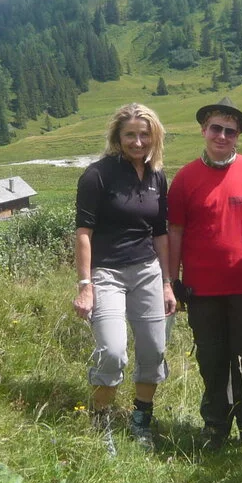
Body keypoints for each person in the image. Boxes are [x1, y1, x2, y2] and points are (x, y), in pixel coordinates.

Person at [167, 96, 242, 451]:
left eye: (230, 130)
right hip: (201, 290)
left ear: (238, 136)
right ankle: (215, 426)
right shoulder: (184, 178)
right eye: (216, 128)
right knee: (213, 361)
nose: (222, 136)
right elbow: (175, 230)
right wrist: (173, 279)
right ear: (203, 130)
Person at [73, 103, 175, 453]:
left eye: (144, 134)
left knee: (154, 350)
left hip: (147, 271)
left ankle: (140, 421)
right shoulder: (97, 175)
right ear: (117, 136)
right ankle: (102, 424)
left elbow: (160, 233)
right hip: (107, 274)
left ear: (154, 137)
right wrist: (85, 285)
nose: (137, 141)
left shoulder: (157, 176)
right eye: (130, 134)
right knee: (113, 352)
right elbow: (83, 232)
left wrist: (166, 282)